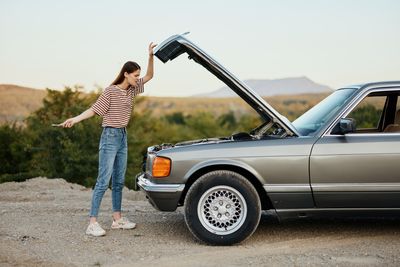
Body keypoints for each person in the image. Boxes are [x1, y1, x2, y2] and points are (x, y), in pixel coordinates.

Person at [61, 42, 157, 236]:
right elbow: (94, 110)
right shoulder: (110, 91)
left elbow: (150, 76)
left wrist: (150, 56)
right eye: (135, 75)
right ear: (126, 74)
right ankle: (92, 223)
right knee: (103, 180)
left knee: (119, 180)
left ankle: (117, 219)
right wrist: (75, 119)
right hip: (110, 136)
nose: (138, 79)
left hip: (122, 136)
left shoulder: (131, 89)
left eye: (138, 76)